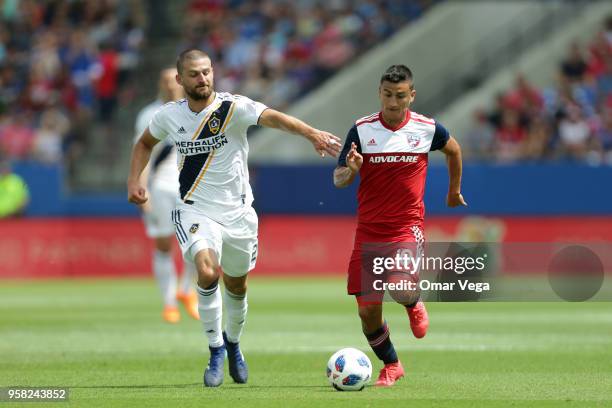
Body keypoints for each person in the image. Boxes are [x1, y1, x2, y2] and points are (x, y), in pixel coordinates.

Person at [127, 49, 341, 387]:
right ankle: (215, 350)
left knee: (237, 286)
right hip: (194, 207)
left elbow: (275, 118)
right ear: (181, 80)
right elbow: (144, 144)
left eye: (207, 72)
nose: (203, 79)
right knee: (208, 270)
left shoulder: (233, 107)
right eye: (195, 74)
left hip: (239, 213)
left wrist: (312, 133)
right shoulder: (169, 115)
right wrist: (135, 181)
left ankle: (233, 344)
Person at [333, 65, 466, 387]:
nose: (393, 103)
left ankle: (412, 301)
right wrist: (351, 170)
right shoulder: (361, 130)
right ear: (380, 93)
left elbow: (454, 150)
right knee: (367, 314)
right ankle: (392, 365)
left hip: (406, 227)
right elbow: (338, 180)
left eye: (400, 96)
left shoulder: (426, 128)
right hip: (368, 231)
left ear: (412, 96)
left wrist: (453, 191)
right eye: (388, 95)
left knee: (401, 286)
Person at [133, 67, 199, 324]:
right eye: (165, 80)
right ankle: (169, 303)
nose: (170, 85)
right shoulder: (150, 114)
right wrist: (141, 185)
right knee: (164, 243)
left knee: (198, 242)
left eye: (174, 80)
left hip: (191, 186)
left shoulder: (194, 109)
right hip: (159, 186)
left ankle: (186, 290)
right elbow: (142, 149)